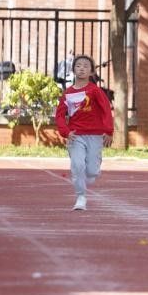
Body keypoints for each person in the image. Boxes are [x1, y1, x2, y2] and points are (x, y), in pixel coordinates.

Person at [55, 54, 114, 211]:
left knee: (92, 172)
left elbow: (106, 110)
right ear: (73, 70)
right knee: (77, 165)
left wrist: (108, 131)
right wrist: (66, 132)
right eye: (78, 66)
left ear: (91, 72)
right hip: (75, 135)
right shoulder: (67, 93)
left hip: (95, 135)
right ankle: (81, 197)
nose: (81, 69)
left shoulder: (95, 91)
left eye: (86, 66)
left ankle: (92, 170)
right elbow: (60, 115)